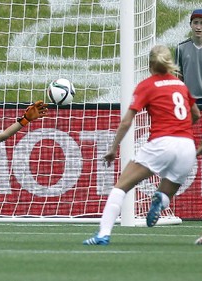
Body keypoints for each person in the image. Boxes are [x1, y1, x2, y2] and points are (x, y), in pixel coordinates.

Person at [83, 45, 201, 245]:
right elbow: (197, 115)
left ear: (149, 66)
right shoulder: (181, 86)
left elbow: (127, 121)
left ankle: (103, 234)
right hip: (187, 146)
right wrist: (180, 129)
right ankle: (161, 200)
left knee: (121, 187)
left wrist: (113, 148)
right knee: (166, 192)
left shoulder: (147, 85)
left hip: (162, 143)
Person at [175, 9, 202, 103]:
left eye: (201, 23)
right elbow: (179, 77)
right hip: (189, 101)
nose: (198, 27)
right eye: (195, 23)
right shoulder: (181, 48)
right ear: (190, 24)